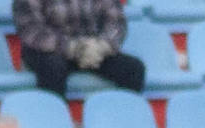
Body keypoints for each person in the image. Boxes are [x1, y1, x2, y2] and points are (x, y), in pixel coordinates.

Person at [12, 0, 145, 99]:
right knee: (53, 68)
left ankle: (120, 124)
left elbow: (116, 22)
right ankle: (55, 124)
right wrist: (72, 48)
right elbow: (31, 30)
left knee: (133, 69)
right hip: (48, 49)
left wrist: (102, 46)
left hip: (92, 49)